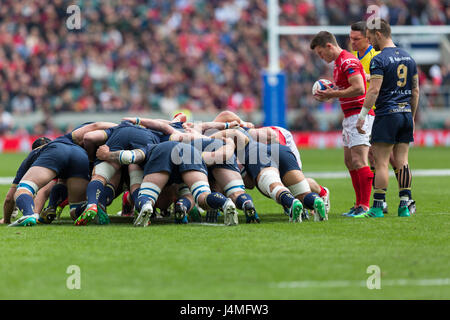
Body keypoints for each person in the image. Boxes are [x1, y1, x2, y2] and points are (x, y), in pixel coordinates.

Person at [355, 19, 419, 218]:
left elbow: (374, 90)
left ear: (379, 34)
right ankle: (404, 205)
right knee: (403, 161)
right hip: (405, 113)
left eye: (370, 36)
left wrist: (362, 116)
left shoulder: (379, 60)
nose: (369, 40)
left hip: (387, 115)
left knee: (381, 162)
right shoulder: (409, 58)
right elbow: (415, 91)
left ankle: (377, 206)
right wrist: (412, 116)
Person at [310, 31, 375, 217]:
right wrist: (333, 90)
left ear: (329, 46)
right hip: (349, 116)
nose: (322, 58)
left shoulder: (347, 61)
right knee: (349, 161)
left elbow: (359, 88)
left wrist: (332, 94)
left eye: (321, 53)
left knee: (359, 160)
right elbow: (354, 84)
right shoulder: (339, 64)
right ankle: (358, 204)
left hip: (359, 114)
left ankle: (364, 206)